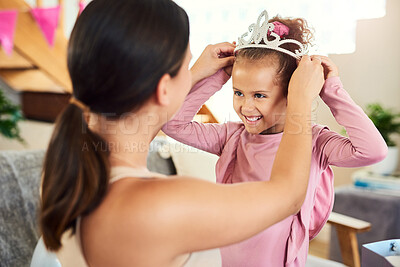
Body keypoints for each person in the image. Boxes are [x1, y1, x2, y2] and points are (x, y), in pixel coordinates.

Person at [39, 0, 324, 266]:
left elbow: (130, 132)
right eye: (184, 67)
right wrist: (298, 98)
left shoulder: (64, 172)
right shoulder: (161, 204)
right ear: (163, 89)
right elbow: (288, 196)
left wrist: (197, 71)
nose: (191, 73)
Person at [162, 10, 388, 267]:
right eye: (238, 93)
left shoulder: (315, 143)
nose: (246, 107)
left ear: (292, 92)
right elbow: (172, 123)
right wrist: (214, 77)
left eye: (259, 95)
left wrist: (330, 90)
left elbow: (373, 151)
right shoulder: (231, 138)